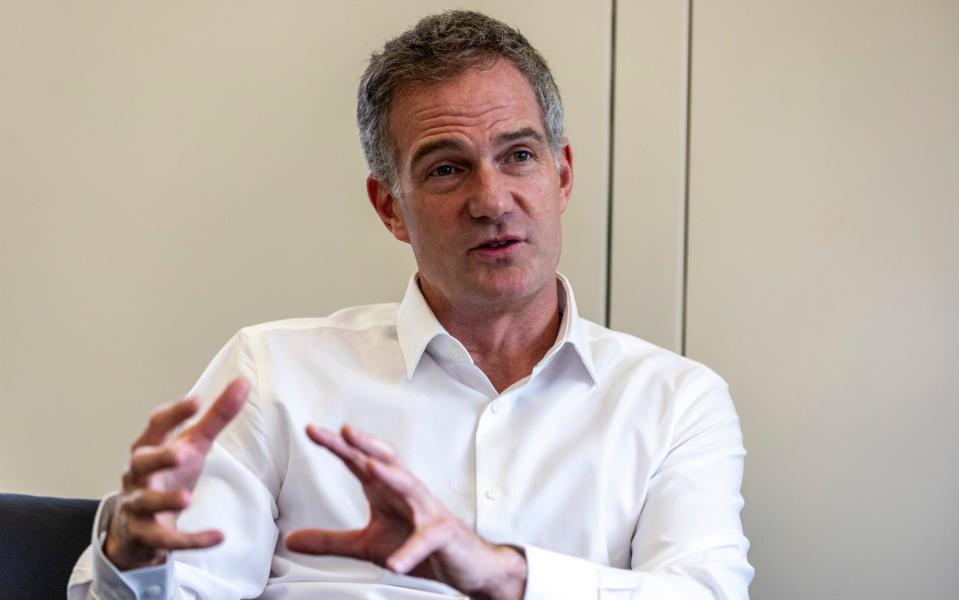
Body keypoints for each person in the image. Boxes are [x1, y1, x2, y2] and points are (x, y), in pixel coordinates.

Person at [69, 10, 753, 599]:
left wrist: (501, 576)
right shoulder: (271, 373)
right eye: (446, 168)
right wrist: (136, 556)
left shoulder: (673, 402)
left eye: (517, 155)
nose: (490, 201)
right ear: (390, 207)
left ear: (561, 175)